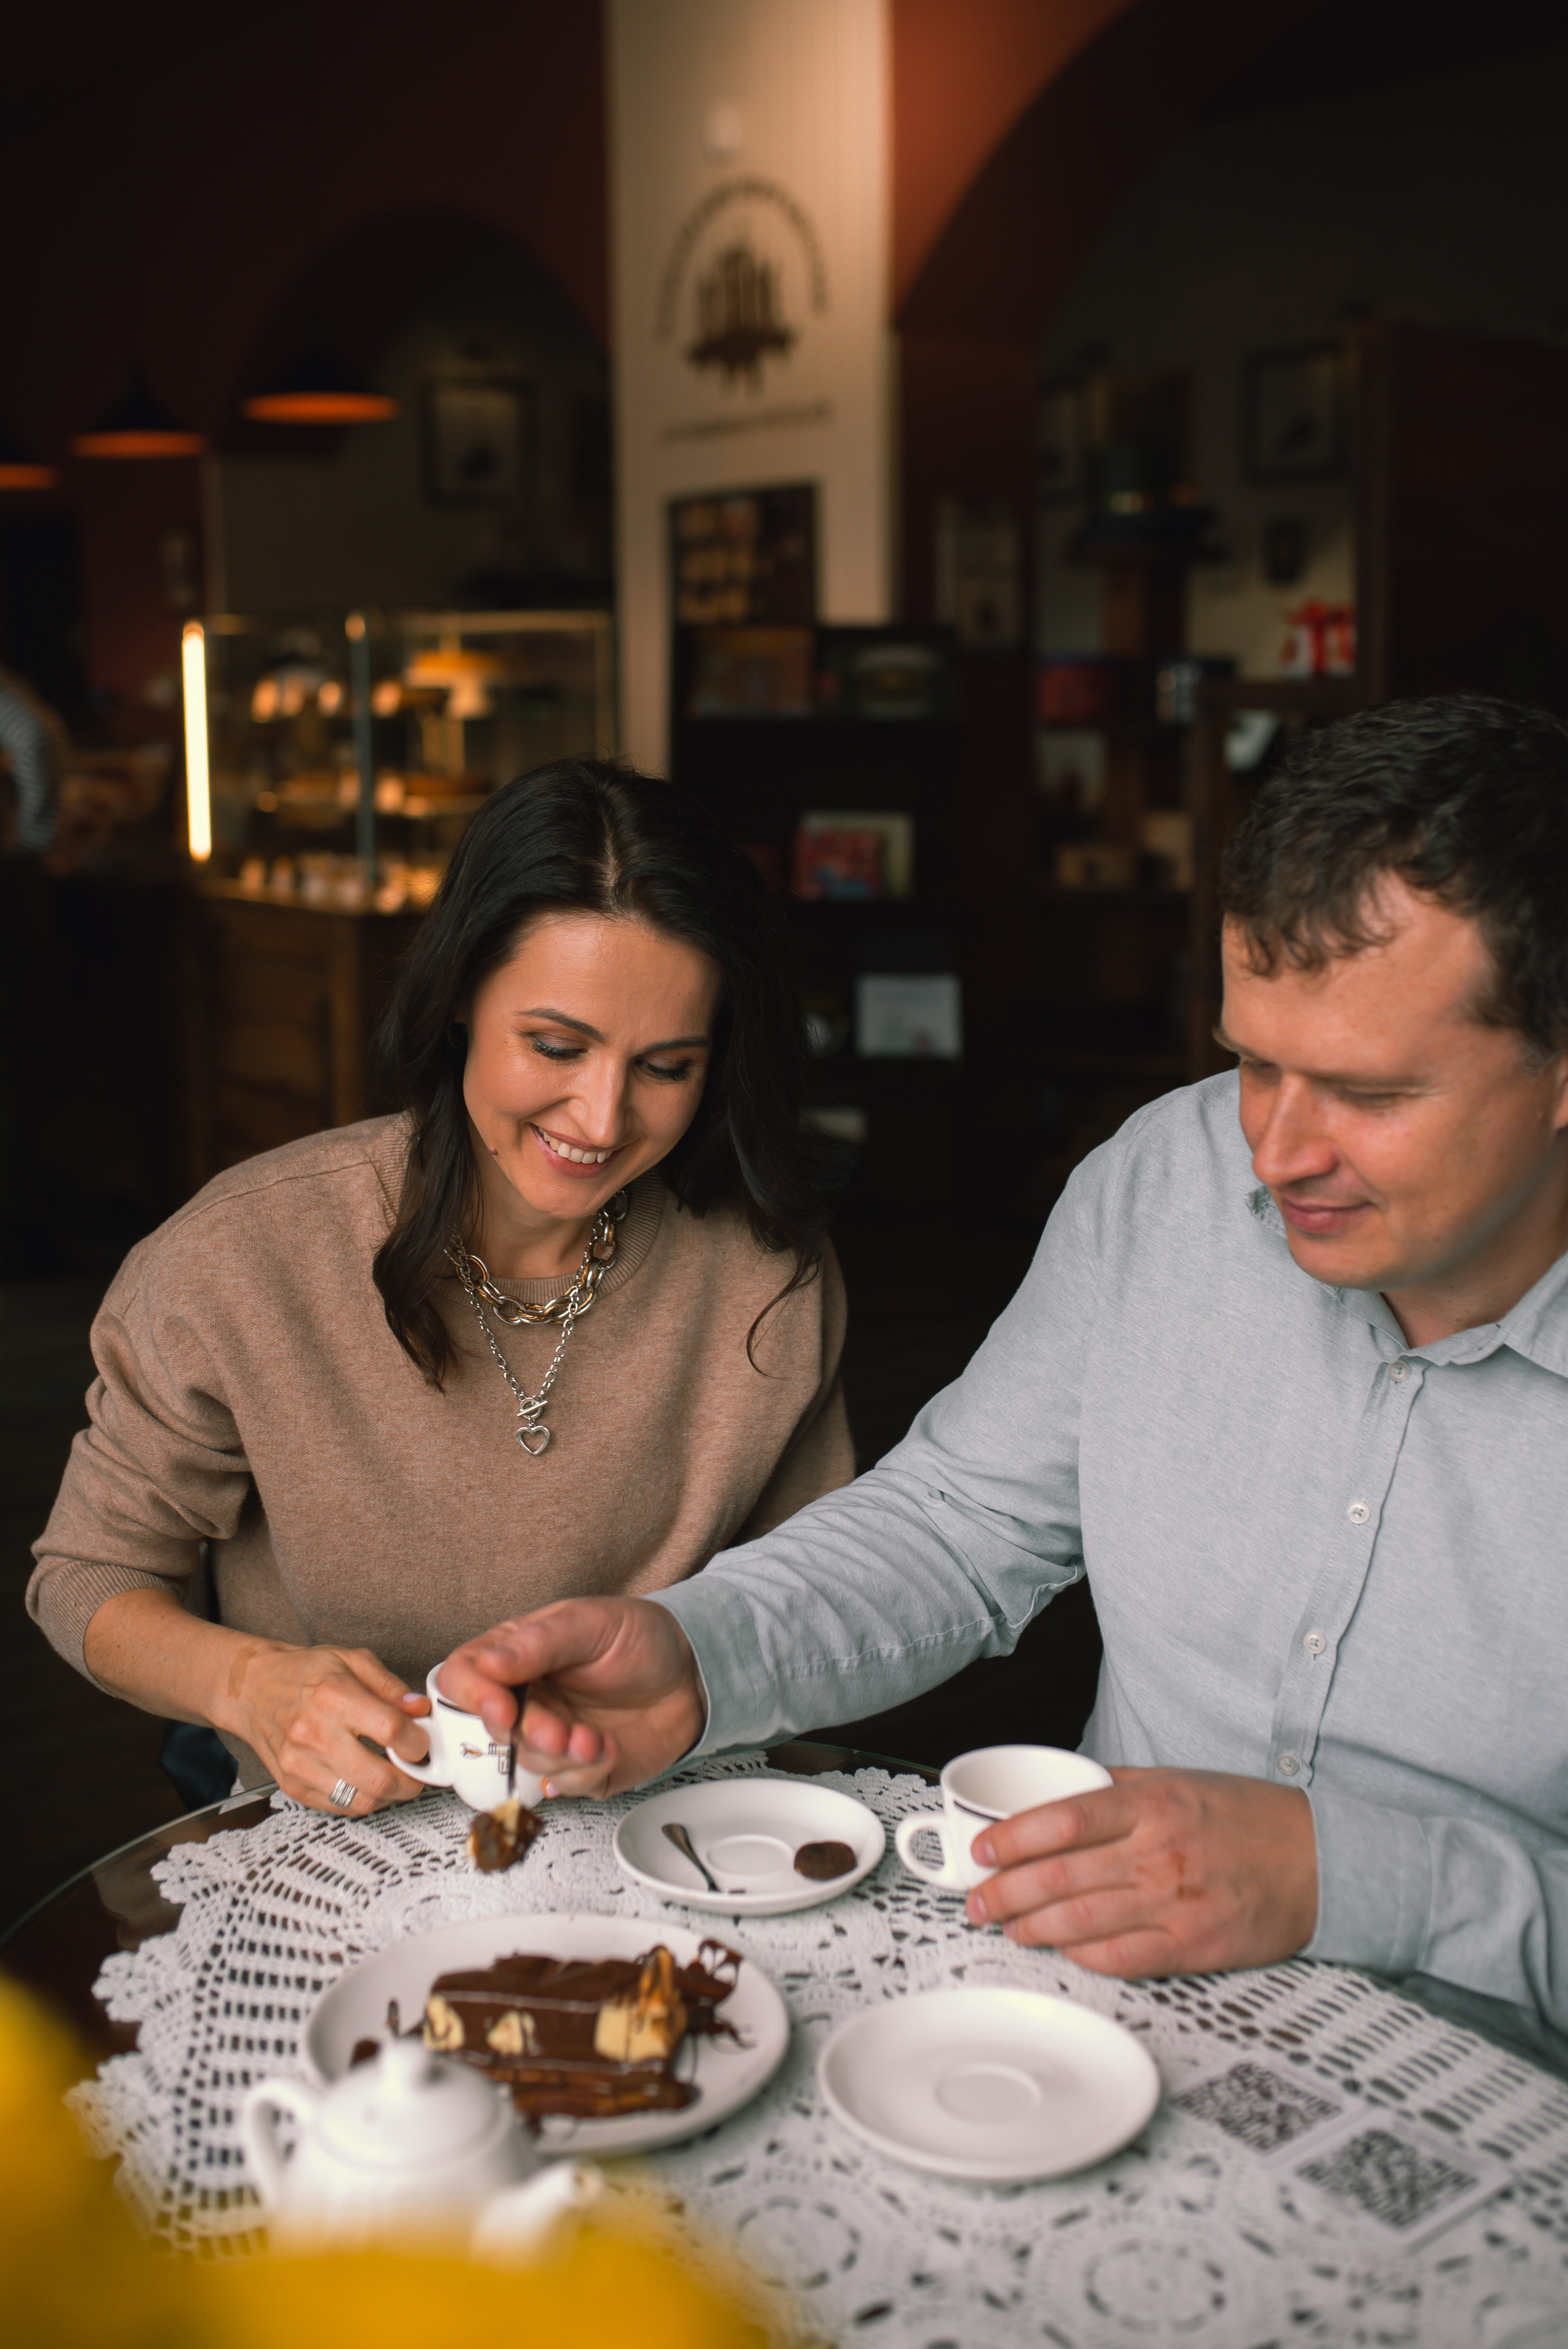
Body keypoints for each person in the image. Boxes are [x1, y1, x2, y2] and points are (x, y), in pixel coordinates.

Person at [440, 697, 1568, 2071]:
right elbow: (958, 1528)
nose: (1270, 1153)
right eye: (1249, 1063)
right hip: (1100, 2026)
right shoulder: (1165, 1180)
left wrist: (1359, 1877)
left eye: (1366, 1093)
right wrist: (702, 1653)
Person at [28, 760, 852, 1810]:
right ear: (460, 995)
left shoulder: (765, 1272)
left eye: (667, 1066)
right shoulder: (241, 1256)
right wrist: (248, 1685)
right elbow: (85, 1576)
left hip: (665, 1831)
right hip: (332, 1842)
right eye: (556, 1044)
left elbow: (822, 1597)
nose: (601, 1120)